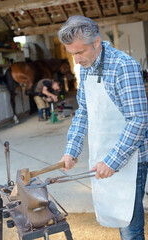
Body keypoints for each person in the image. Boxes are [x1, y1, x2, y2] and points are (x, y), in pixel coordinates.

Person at [57, 15, 148, 239]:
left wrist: (112, 161)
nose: (76, 61)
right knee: (118, 216)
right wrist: (72, 150)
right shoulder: (87, 67)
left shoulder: (123, 66)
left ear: (97, 42)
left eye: (79, 52)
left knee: (130, 228)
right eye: (72, 54)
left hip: (131, 157)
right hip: (104, 156)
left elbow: (139, 120)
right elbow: (84, 112)